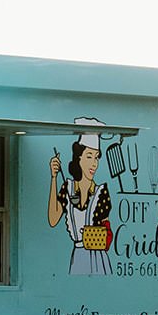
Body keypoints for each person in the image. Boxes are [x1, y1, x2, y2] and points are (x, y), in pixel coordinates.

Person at [47, 118, 112, 275]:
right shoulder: (68, 188)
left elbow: (107, 231)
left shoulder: (100, 193)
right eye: (89, 156)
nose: (94, 164)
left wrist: (93, 234)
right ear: (79, 158)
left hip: (98, 257)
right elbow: (53, 219)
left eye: (96, 157)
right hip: (78, 256)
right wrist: (54, 178)